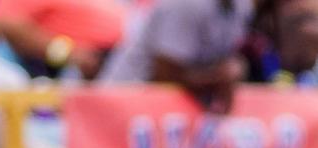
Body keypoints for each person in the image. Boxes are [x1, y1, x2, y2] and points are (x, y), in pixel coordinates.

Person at [98, 0, 253, 114]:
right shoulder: (185, 5)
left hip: (168, 111)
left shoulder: (241, 6)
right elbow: (165, 74)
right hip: (124, 104)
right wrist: (217, 78)